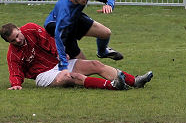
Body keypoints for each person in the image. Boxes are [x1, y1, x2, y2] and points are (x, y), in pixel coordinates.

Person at [2, 22, 152, 90]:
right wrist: (16, 84)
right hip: (43, 75)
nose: (18, 40)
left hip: (57, 63)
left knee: (95, 64)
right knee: (71, 77)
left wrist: (60, 54)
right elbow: (14, 71)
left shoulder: (31, 29)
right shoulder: (13, 54)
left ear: (19, 29)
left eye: (17, 35)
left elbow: (49, 40)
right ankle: (113, 85)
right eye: (13, 40)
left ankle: (135, 81)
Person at [45, 0, 124, 72]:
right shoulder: (64, 11)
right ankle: (60, 70)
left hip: (75, 17)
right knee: (85, 65)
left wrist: (109, 5)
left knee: (106, 33)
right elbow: (59, 38)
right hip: (56, 26)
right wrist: (63, 62)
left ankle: (102, 52)